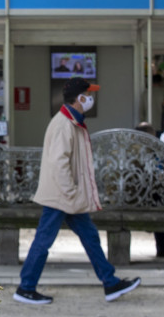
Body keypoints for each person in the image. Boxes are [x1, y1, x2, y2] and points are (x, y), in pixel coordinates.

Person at [14, 77, 141, 304]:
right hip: (62, 195)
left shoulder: (69, 121)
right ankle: (26, 288)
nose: (91, 99)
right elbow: (59, 162)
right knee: (45, 241)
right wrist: (70, 192)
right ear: (80, 98)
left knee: (87, 237)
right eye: (88, 95)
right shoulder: (65, 124)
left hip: (66, 195)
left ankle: (110, 283)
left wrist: (71, 192)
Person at [134, 122, 164, 258]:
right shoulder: (147, 153)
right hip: (139, 199)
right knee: (160, 203)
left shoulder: (133, 150)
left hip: (133, 196)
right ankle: (163, 246)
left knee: (158, 200)